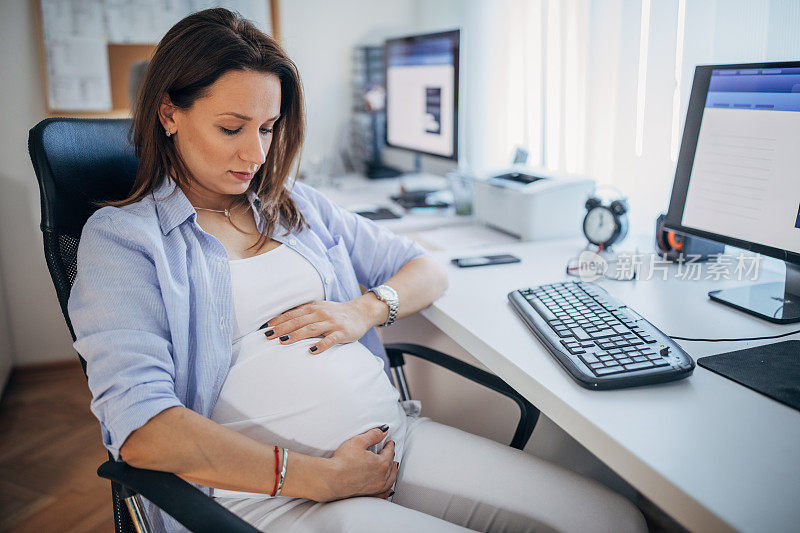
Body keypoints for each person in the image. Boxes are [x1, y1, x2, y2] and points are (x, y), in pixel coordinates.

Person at [68, 8, 647, 533]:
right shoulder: (124, 241)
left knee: (611, 519)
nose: (256, 155)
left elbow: (426, 268)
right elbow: (143, 432)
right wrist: (322, 478)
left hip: (393, 440)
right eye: (231, 128)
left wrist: (363, 309)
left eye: (268, 128)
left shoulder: (293, 205)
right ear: (169, 112)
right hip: (267, 497)